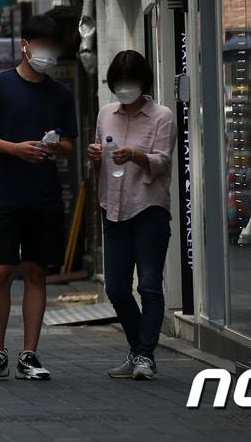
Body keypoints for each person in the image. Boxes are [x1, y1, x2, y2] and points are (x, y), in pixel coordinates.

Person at [0, 15, 76, 381]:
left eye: (52, 49)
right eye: (41, 47)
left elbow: (68, 144)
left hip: (44, 196)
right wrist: (14, 149)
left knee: (35, 272)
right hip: (3, 194)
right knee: (0, 272)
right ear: (25, 45)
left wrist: (53, 148)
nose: (47, 54)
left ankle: (29, 354)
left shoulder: (61, 94)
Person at [88, 50, 174, 380]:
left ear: (143, 83)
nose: (123, 90)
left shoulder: (161, 116)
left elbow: (163, 161)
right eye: (118, 83)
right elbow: (100, 162)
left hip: (148, 206)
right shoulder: (106, 113)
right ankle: (140, 351)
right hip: (113, 207)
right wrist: (96, 156)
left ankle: (143, 354)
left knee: (150, 285)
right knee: (117, 288)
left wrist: (136, 155)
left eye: (129, 83)